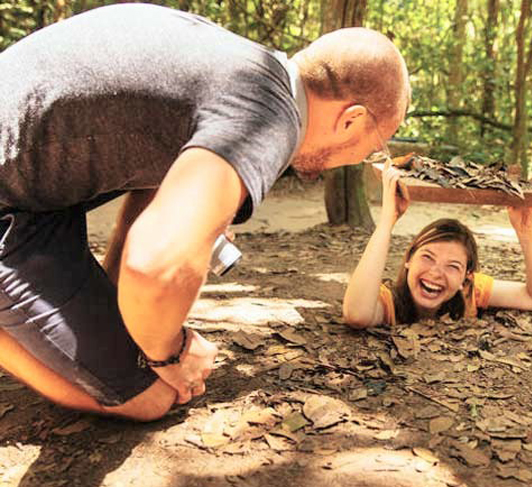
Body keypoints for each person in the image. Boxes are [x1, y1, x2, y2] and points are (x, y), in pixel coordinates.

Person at [0, 3, 410, 421]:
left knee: (134, 345)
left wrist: (124, 318)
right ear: (351, 120)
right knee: (150, 396)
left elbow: (153, 193)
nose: (367, 158)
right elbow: (155, 264)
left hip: (35, 190)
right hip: (15, 204)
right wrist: (169, 353)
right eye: (376, 146)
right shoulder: (269, 117)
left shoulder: (242, 67)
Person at [342, 159, 532, 328]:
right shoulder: (388, 301)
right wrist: (387, 222)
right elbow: (357, 315)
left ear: (466, 277)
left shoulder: (470, 291)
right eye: (427, 257)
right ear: (408, 259)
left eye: (453, 266)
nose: (436, 273)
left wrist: (527, 231)